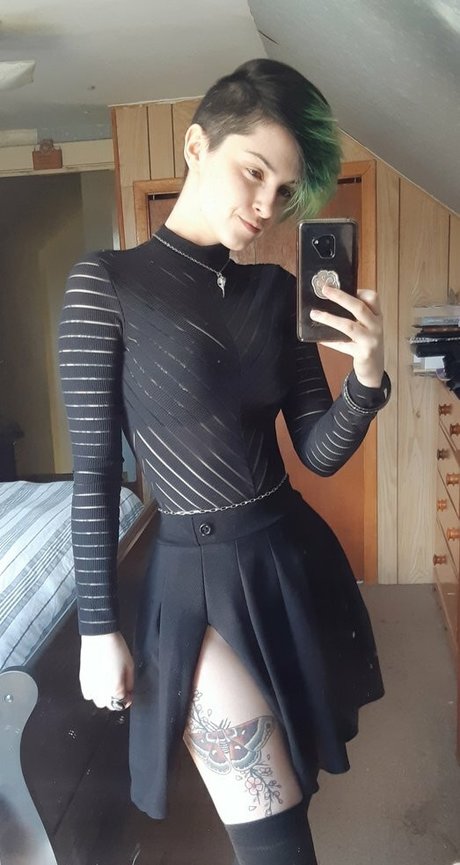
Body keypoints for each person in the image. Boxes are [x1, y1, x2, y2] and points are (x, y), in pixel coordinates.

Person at [58, 58, 391, 865]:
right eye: (254, 171)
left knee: (296, 783)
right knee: (274, 839)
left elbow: (316, 452)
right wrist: (98, 626)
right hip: (195, 582)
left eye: (286, 189)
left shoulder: (276, 292)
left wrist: (367, 377)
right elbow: (94, 473)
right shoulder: (106, 284)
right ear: (196, 145)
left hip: (291, 562)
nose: (267, 204)